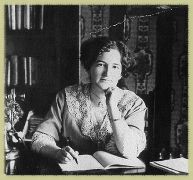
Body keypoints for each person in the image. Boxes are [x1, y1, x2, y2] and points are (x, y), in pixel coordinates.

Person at [31, 37, 147, 164]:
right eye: (100, 64)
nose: (107, 73)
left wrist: (112, 108)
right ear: (89, 67)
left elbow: (129, 150)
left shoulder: (134, 104)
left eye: (115, 67)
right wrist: (57, 152)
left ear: (121, 72)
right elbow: (39, 138)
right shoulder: (66, 96)